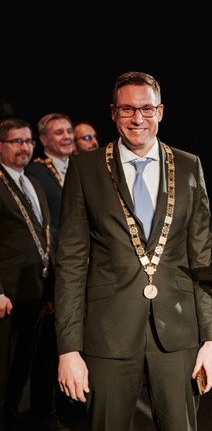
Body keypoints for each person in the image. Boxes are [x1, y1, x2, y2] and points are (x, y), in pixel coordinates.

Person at [54, 71, 212, 431]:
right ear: (113, 113)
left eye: (147, 109)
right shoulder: (85, 169)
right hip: (106, 332)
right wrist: (68, 349)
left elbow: (202, 257)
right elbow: (70, 264)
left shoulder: (189, 165)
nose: (138, 119)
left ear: (160, 111)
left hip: (178, 331)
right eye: (128, 109)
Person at [0, 118, 52, 431]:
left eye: (29, 141)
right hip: (7, 295)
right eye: (16, 141)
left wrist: (51, 290)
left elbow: (44, 236)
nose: (25, 147)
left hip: (35, 291)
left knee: (22, 367)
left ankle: (10, 418)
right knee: (2, 368)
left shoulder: (32, 182)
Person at [24, 113, 74, 431]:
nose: (67, 136)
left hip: (78, 265)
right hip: (53, 267)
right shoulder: (36, 173)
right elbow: (44, 227)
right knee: (47, 347)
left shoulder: (80, 167)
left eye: (69, 130)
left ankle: (71, 406)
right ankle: (44, 412)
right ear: (43, 140)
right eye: (59, 132)